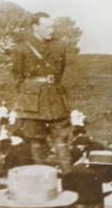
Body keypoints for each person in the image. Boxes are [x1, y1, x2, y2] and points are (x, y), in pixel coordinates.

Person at [11, 12, 72, 174]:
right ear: (35, 27)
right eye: (47, 27)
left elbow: (61, 71)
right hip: (32, 99)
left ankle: (69, 176)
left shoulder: (59, 46)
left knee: (61, 137)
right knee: (36, 138)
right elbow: (18, 76)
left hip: (55, 96)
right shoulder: (21, 48)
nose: (51, 31)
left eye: (52, 27)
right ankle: (40, 175)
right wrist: (28, 95)